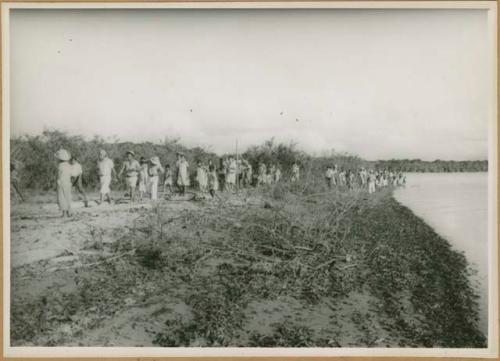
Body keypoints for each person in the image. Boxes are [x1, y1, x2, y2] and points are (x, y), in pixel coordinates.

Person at [55, 149, 73, 217]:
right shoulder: (69, 165)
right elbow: (71, 174)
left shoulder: (60, 166)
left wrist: (57, 181)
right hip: (68, 182)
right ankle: (68, 212)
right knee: (67, 197)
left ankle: (64, 213)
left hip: (61, 182)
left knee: (62, 197)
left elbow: (58, 175)